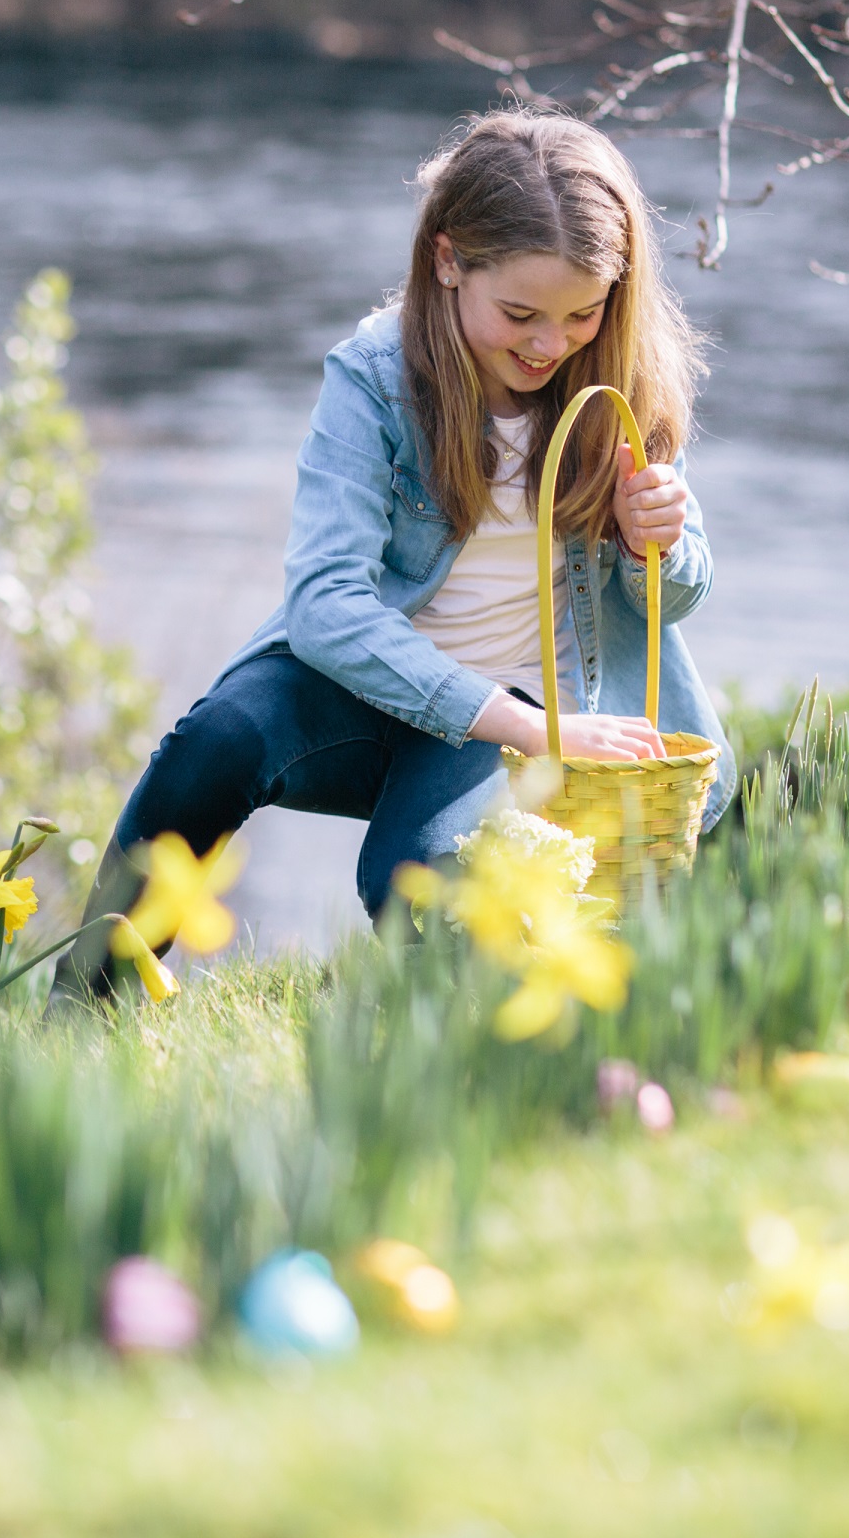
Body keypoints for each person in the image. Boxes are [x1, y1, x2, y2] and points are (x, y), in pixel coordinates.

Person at [60, 106, 731, 995]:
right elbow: (326, 608)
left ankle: (460, 1045)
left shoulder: (619, 379)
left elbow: (675, 599)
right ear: (448, 261)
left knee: (414, 889)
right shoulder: (376, 379)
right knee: (217, 739)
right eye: (521, 312)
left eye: (580, 315)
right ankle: (83, 1006)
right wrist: (529, 724)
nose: (547, 344)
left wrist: (659, 541)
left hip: (528, 716)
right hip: (397, 690)